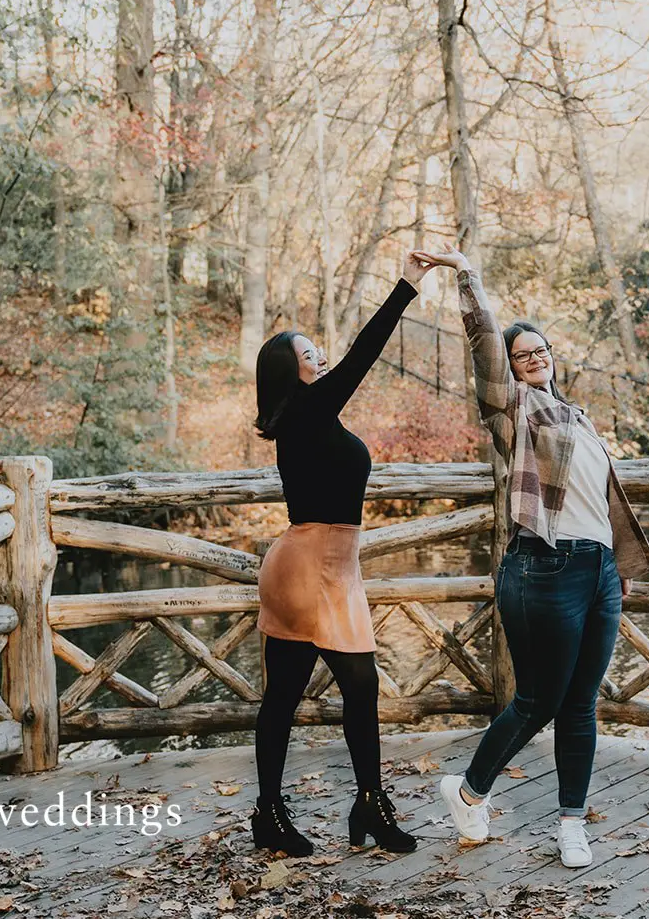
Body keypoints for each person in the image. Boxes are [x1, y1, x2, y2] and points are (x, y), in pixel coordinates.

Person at [410, 249, 649, 870]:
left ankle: (571, 824)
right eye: (523, 354)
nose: (536, 357)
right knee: (538, 700)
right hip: (543, 569)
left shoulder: (577, 416)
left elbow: (599, 501)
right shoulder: (514, 410)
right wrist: (467, 275)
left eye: (542, 350)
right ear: (512, 367)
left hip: (599, 573)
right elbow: (484, 347)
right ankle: (470, 791)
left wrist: (618, 568)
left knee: (581, 705)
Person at [249, 251, 446, 857]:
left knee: (311, 693)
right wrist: (406, 286)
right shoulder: (305, 411)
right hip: (309, 569)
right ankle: (345, 808)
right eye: (309, 355)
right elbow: (363, 354)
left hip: (331, 566)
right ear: (290, 373)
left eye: (318, 352)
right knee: (347, 686)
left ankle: (341, 808)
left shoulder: (309, 416)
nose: (321, 359)